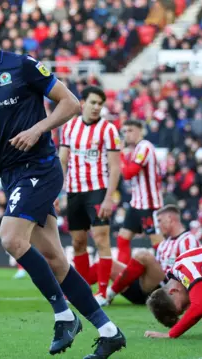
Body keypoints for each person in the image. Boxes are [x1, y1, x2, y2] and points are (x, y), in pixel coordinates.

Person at [0, 8, 125, 358]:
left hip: (41, 167)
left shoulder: (22, 65)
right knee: (56, 259)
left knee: (11, 238)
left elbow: (71, 103)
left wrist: (37, 129)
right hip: (12, 174)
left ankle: (63, 315)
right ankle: (109, 331)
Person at [59, 86, 121, 305]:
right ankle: (83, 291)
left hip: (98, 191)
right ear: (82, 103)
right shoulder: (68, 128)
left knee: (102, 239)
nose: (96, 107)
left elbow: (115, 167)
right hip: (75, 191)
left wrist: (108, 197)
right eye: (93, 102)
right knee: (78, 243)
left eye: (100, 104)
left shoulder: (109, 130)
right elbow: (63, 160)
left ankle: (103, 293)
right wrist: (59, 191)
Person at [102, 205, 199, 306]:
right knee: (109, 264)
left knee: (143, 255)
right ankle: (94, 295)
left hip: (166, 289)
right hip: (148, 289)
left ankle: (109, 293)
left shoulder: (188, 240)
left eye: (159, 221)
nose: (157, 226)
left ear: (170, 219)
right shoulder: (164, 243)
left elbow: (193, 271)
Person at [115, 120, 164, 265]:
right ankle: (123, 277)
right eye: (124, 131)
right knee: (122, 238)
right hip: (136, 204)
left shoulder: (145, 147)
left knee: (157, 243)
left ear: (140, 131)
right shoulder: (136, 149)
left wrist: (121, 155)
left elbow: (129, 173)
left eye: (130, 130)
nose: (127, 134)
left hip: (149, 205)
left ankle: (167, 275)